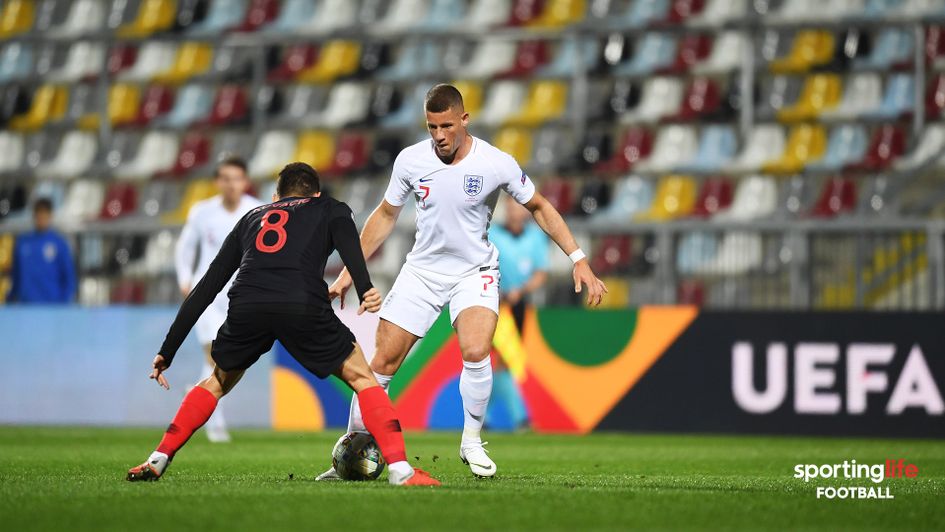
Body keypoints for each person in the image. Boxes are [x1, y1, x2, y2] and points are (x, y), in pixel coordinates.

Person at [319, 84, 607, 480]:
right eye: (431, 126)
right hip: (422, 272)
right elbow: (384, 216)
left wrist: (578, 259)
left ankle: (471, 441)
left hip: (475, 272)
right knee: (381, 364)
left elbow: (538, 205)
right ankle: (351, 450)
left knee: (476, 350)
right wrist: (349, 273)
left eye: (447, 126)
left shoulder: (495, 162)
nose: (439, 135)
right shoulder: (410, 160)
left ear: (464, 119)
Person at [127, 162, 439, 487]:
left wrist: (168, 349)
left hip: (247, 304)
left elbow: (206, 287)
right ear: (316, 194)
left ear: (276, 196)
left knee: (216, 381)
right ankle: (401, 470)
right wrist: (364, 288)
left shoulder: (250, 219)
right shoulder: (330, 208)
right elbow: (351, 247)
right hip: (300, 301)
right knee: (364, 379)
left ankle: (158, 458)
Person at [174, 155, 263, 442]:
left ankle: (198, 395)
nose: (231, 184)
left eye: (236, 178)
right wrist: (185, 280)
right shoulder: (202, 211)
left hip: (242, 297)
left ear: (245, 182)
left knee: (227, 362)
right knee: (215, 356)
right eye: (225, 178)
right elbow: (185, 247)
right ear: (217, 182)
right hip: (209, 296)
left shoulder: (258, 211)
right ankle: (215, 421)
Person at [487, 196, 550, 430]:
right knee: (503, 358)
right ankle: (520, 417)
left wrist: (520, 290)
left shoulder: (535, 237)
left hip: (518, 305)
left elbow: (541, 273)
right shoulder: (493, 234)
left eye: (519, 208)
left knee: (504, 361)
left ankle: (483, 417)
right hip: (494, 303)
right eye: (511, 208)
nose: (515, 212)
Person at [6, 198, 76, 303]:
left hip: (52, 306)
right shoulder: (23, 242)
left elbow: (69, 278)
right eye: (38, 214)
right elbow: (16, 276)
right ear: (34, 216)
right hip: (26, 306)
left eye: (44, 215)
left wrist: (64, 304)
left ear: (50, 216)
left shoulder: (59, 243)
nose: (41, 218)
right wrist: (10, 299)